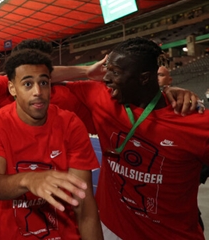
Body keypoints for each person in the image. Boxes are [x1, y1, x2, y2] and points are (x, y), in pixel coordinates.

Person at [64, 37, 209, 239]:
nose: (106, 78)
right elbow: (31, 75)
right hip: (112, 228)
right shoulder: (101, 98)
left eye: (115, 72)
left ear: (144, 78)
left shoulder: (196, 122)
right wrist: (85, 71)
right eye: (107, 70)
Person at [0, 49, 102, 240]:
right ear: (12, 89)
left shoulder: (70, 124)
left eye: (44, 83)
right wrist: (29, 180)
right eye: (28, 84)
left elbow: (85, 206)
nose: (38, 92)